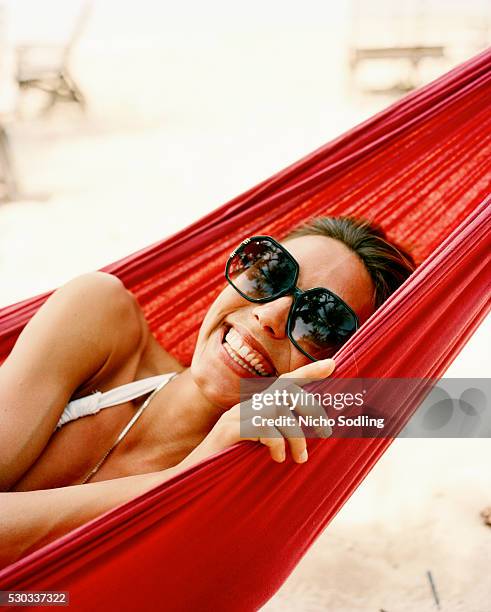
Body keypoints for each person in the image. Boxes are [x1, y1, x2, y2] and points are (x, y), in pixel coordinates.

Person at [0, 216, 414, 566]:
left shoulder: (250, 506)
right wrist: (177, 486)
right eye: (269, 273)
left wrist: (198, 480)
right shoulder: (100, 320)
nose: (268, 315)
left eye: (320, 322)